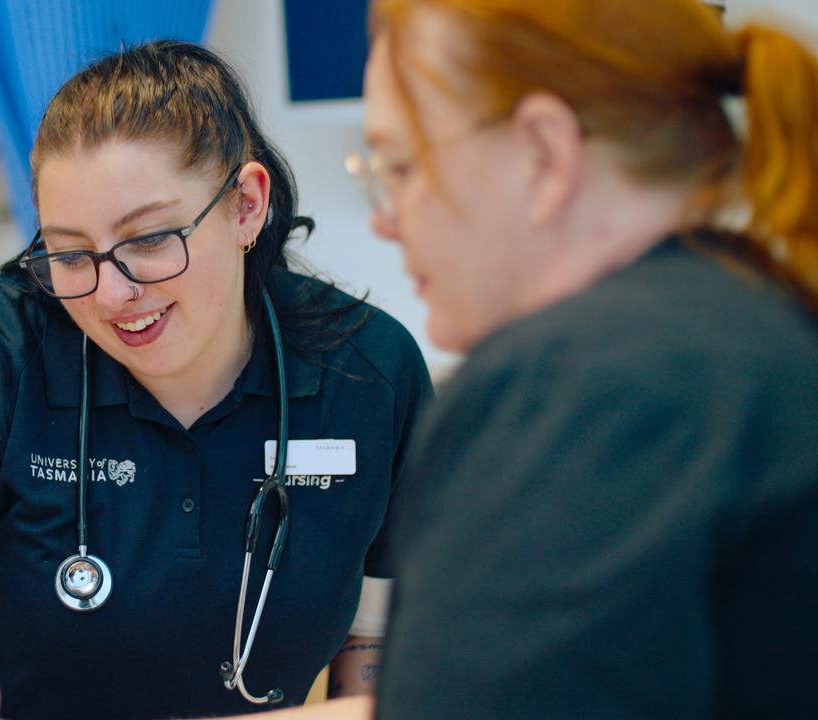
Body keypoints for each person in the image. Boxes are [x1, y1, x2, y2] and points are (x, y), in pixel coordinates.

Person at [0, 41, 431, 720]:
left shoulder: (369, 374)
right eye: (71, 253)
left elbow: (380, 639)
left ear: (246, 205)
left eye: (149, 239)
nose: (112, 293)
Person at [343, 0, 818, 718]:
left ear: (544, 153)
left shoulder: (574, 392)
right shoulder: (759, 327)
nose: (386, 215)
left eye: (401, 166)